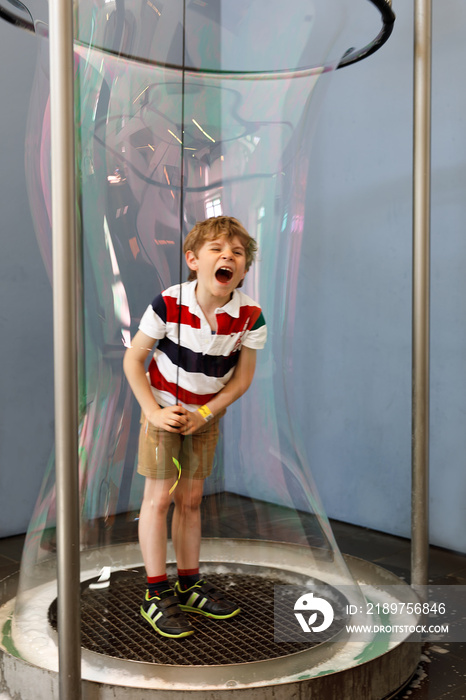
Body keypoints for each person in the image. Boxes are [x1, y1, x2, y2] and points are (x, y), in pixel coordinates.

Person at [123, 216, 267, 638]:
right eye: (217, 249)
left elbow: (241, 379)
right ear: (193, 259)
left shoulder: (250, 316)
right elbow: (134, 360)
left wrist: (205, 414)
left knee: (189, 501)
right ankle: (155, 592)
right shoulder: (169, 302)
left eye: (238, 253)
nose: (228, 256)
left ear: (244, 268)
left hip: (203, 419)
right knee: (158, 501)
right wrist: (152, 412)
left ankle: (188, 585)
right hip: (164, 412)